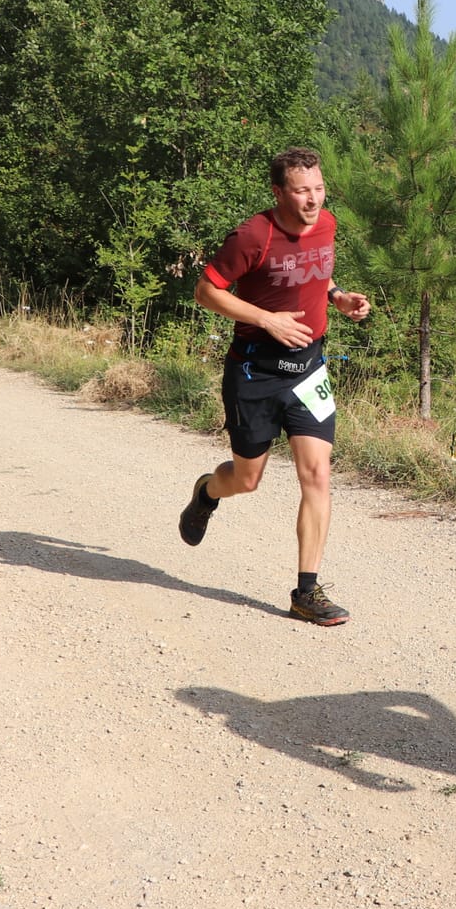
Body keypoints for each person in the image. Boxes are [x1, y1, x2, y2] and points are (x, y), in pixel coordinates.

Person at [178, 147, 370, 626]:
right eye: (302, 191)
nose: (313, 199)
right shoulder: (252, 234)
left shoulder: (326, 224)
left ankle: (307, 592)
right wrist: (266, 319)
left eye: (319, 189)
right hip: (254, 371)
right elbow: (206, 290)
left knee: (317, 475)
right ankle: (206, 493)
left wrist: (339, 298)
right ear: (278, 192)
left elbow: (312, 276)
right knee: (247, 479)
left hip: (308, 370)